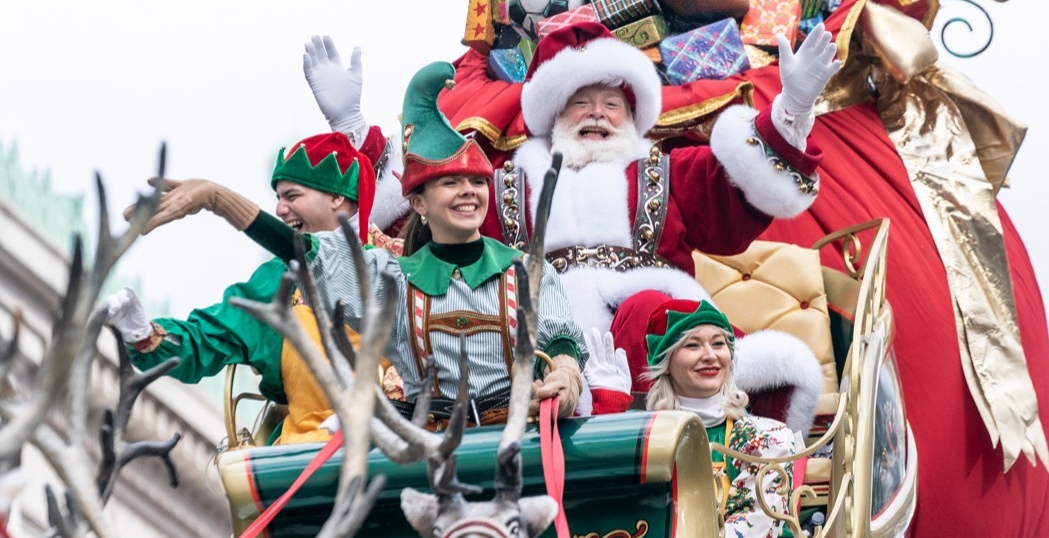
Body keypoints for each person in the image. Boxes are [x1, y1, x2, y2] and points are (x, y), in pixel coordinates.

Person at [304, 23, 836, 434]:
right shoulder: (503, 184)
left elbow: (738, 195)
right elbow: (419, 213)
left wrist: (792, 109)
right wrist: (352, 129)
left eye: (611, 104)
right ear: (555, 114)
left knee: (652, 310)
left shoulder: (668, 170)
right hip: (535, 338)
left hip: (656, 333)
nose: (596, 114)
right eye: (581, 103)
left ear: (632, 116)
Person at [140, 62, 585, 425]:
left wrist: (566, 376)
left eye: (477, 181)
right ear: (418, 203)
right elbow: (298, 255)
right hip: (417, 457)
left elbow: (559, 338)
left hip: (513, 447)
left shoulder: (526, 272)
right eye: (451, 182)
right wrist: (218, 200)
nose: (468, 192)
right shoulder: (389, 279)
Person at [584, 301, 802, 538]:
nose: (710, 355)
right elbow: (607, 519)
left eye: (718, 343)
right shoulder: (645, 436)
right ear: (667, 362)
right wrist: (608, 418)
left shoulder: (767, 438)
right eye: (692, 345)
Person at [106, 132, 380, 444]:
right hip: (303, 454)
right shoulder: (278, 281)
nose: (280, 209)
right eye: (278, 198)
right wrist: (142, 333)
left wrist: (219, 200)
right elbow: (207, 339)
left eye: (291, 196)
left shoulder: (393, 266)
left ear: (336, 198)